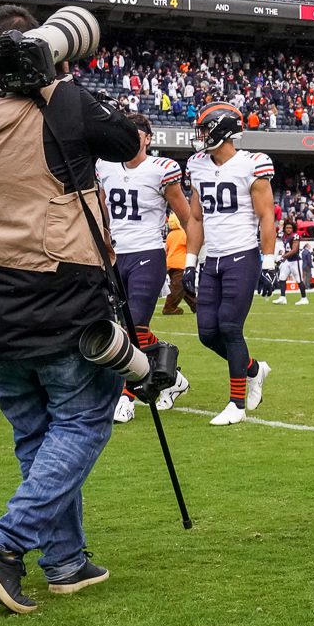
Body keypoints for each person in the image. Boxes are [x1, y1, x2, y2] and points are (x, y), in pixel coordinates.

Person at [0, 3, 139, 614]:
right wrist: (60, 77)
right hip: (59, 288)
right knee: (83, 419)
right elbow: (126, 141)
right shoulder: (59, 99)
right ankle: (6, 542)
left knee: (33, 431)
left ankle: (66, 561)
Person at [97, 111, 195, 423]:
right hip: (115, 256)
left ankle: (127, 396)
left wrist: (194, 260)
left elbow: (186, 214)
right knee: (121, 331)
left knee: (133, 330)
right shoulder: (105, 166)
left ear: (147, 138)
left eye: (135, 133)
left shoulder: (161, 169)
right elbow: (100, 209)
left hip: (148, 254)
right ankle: (172, 372)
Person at [185, 104, 278, 426]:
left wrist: (269, 262)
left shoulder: (252, 163)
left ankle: (236, 404)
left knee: (229, 327)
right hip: (213, 258)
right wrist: (189, 261)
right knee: (207, 333)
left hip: (242, 254)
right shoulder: (197, 165)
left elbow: (267, 216)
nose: (200, 136)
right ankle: (253, 369)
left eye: (205, 129)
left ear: (221, 130)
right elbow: (196, 217)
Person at [161, 212, 194, 315]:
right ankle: (169, 308)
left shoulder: (170, 235)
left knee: (184, 288)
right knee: (177, 288)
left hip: (171, 264)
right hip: (181, 264)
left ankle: (197, 305)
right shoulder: (183, 233)